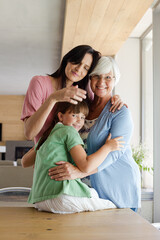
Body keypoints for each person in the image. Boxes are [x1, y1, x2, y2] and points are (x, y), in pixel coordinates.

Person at [48, 56, 141, 211]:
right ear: (90, 78)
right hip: (89, 190)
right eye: (96, 76)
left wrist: (78, 172)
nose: (101, 82)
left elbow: (115, 153)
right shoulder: (83, 107)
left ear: (115, 80)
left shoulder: (120, 112)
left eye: (108, 77)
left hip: (117, 186)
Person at [22, 101, 124, 214]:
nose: (79, 120)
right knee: (113, 205)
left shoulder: (46, 136)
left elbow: (24, 162)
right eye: (74, 115)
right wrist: (108, 147)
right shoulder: (69, 131)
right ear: (60, 116)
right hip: (61, 197)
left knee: (92, 194)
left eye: (82, 117)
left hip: (40, 201)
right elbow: (86, 166)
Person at [21, 45, 125, 144]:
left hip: (73, 158)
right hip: (48, 157)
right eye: (77, 62)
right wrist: (53, 98)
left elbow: (100, 102)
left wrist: (115, 99)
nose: (79, 69)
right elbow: (29, 133)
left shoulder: (83, 91)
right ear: (67, 60)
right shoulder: (39, 83)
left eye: (86, 68)